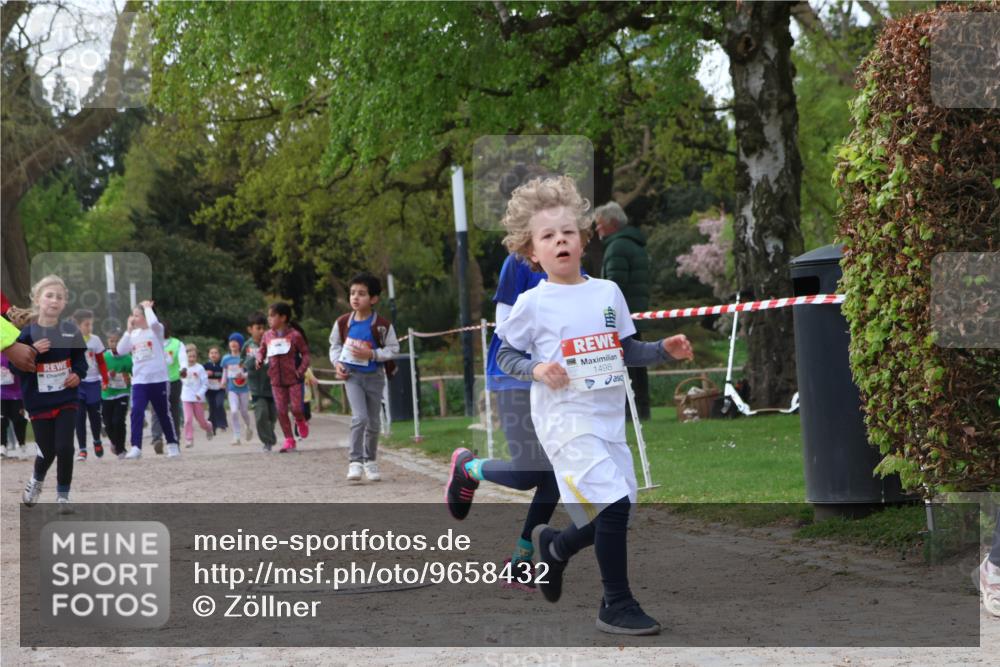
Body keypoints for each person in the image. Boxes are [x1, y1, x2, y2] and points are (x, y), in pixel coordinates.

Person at [482, 176, 692, 635]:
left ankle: (556, 549)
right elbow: (504, 355)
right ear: (531, 252)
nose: (560, 240)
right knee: (611, 504)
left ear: (582, 240)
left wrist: (663, 350)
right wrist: (537, 369)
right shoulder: (533, 303)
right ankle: (615, 604)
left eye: (568, 232)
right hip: (564, 421)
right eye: (547, 236)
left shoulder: (607, 293)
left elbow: (627, 350)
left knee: (620, 511)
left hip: (607, 421)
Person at [445, 164, 560, 591]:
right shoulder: (517, 262)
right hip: (513, 374)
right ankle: (468, 467)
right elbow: (506, 326)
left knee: (556, 474)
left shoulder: (567, 252)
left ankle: (521, 560)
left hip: (555, 377)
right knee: (531, 470)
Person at [15, 275, 87, 513]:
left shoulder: (70, 331)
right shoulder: (27, 334)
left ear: (65, 303)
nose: (54, 300)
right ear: (37, 299)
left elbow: (80, 362)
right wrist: (33, 351)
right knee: (47, 451)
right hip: (39, 402)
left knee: (65, 447)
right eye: (49, 295)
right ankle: (36, 479)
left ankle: (63, 497)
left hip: (66, 398)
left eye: (59, 297)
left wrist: (77, 374)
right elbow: (16, 367)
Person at [328, 273, 399, 481]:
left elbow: (394, 348)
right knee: (360, 417)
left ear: (374, 299)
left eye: (361, 294)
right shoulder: (342, 323)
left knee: (374, 422)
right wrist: (337, 363)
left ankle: (370, 461)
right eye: (352, 293)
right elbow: (335, 346)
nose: (355, 298)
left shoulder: (382, 325)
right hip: (352, 377)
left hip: (375, 377)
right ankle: (355, 462)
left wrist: (373, 354)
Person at [593, 201, 652, 421]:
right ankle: (642, 409)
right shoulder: (634, 244)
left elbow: (614, 286)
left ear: (612, 223)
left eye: (599, 225)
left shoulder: (617, 247)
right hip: (636, 312)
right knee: (638, 364)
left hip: (621, 317)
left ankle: (630, 411)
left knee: (626, 363)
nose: (597, 230)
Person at [117, 300, 182, 459]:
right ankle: (136, 446)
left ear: (145, 316)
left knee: (162, 412)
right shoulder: (133, 334)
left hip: (158, 379)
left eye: (136, 315)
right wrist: (128, 330)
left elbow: (153, 322)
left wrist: (147, 307)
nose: (133, 318)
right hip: (139, 381)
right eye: (132, 315)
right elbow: (120, 350)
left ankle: (172, 444)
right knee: (136, 412)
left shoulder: (156, 331)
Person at [256, 302, 310, 453]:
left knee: (297, 408)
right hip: (276, 380)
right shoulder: (267, 335)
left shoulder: (295, 335)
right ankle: (289, 439)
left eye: (272, 315)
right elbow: (261, 351)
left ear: (283, 317)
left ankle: (300, 420)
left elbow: (306, 354)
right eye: (269, 316)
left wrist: (300, 370)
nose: (269, 319)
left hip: (294, 378)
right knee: (281, 410)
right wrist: (259, 359)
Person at [71, 309, 108, 461]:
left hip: (93, 382)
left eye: (91, 325)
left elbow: (101, 361)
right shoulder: (71, 340)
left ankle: (97, 441)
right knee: (79, 416)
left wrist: (105, 379)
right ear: (78, 326)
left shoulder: (95, 340)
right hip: (79, 383)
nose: (89, 328)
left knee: (94, 415)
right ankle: (82, 449)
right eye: (86, 325)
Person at [149, 321, 186, 454]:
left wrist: (183, 368)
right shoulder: (151, 343)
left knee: (173, 411)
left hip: (173, 381)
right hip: (156, 380)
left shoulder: (177, 343)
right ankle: (157, 438)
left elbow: (182, 358)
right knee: (156, 410)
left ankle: (175, 439)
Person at [243, 312, 277, 452]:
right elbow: (246, 364)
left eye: (264, 328)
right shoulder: (249, 346)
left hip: (273, 386)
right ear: (250, 329)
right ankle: (268, 441)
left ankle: (269, 436)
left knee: (272, 415)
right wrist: (258, 356)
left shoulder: (272, 342)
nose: (262, 331)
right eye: (258, 328)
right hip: (257, 388)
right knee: (261, 414)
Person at [101, 330, 132, 459]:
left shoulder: (128, 358)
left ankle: (121, 449)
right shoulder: (104, 357)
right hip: (107, 393)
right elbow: (98, 374)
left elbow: (135, 374)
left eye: (117, 341)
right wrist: (108, 375)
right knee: (108, 423)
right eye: (111, 341)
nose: (114, 344)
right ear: (107, 342)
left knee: (118, 420)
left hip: (122, 393)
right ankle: (114, 442)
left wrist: (128, 377)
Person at [179, 343, 214, 448]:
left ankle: (208, 427)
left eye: (194, 356)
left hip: (198, 399)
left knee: (201, 422)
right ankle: (189, 439)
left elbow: (205, 383)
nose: (192, 358)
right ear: (185, 357)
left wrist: (199, 393)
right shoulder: (181, 368)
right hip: (186, 398)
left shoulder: (200, 368)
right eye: (190, 356)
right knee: (187, 420)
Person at [222, 332, 253, 445]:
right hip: (231, 389)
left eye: (236, 341)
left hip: (244, 389)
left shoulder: (245, 358)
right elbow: (224, 371)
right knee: (234, 411)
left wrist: (244, 375)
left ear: (240, 344)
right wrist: (223, 382)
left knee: (244, 411)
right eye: (231, 341)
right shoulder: (226, 358)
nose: (233, 343)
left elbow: (250, 371)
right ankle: (237, 436)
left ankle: (248, 427)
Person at [1, 351, 28, 457]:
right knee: (2, 420)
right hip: (1, 392)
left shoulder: (15, 350)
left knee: (18, 419)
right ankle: (2, 445)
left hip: (16, 392)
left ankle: (22, 444)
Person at [204, 346, 227, 435]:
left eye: (216, 353)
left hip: (220, 390)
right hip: (209, 390)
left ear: (219, 355)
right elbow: (198, 374)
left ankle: (222, 424)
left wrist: (224, 382)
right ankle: (212, 426)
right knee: (212, 407)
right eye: (211, 353)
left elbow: (227, 375)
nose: (214, 355)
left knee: (219, 404)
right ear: (209, 355)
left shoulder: (222, 365)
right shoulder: (205, 366)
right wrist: (205, 373)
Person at [296, 366, 320, 439]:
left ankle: (304, 423)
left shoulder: (307, 370)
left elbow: (313, 379)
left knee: (307, 414)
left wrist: (314, 381)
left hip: (306, 397)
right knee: (299, 414)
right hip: (297, 397)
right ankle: (298, 432)